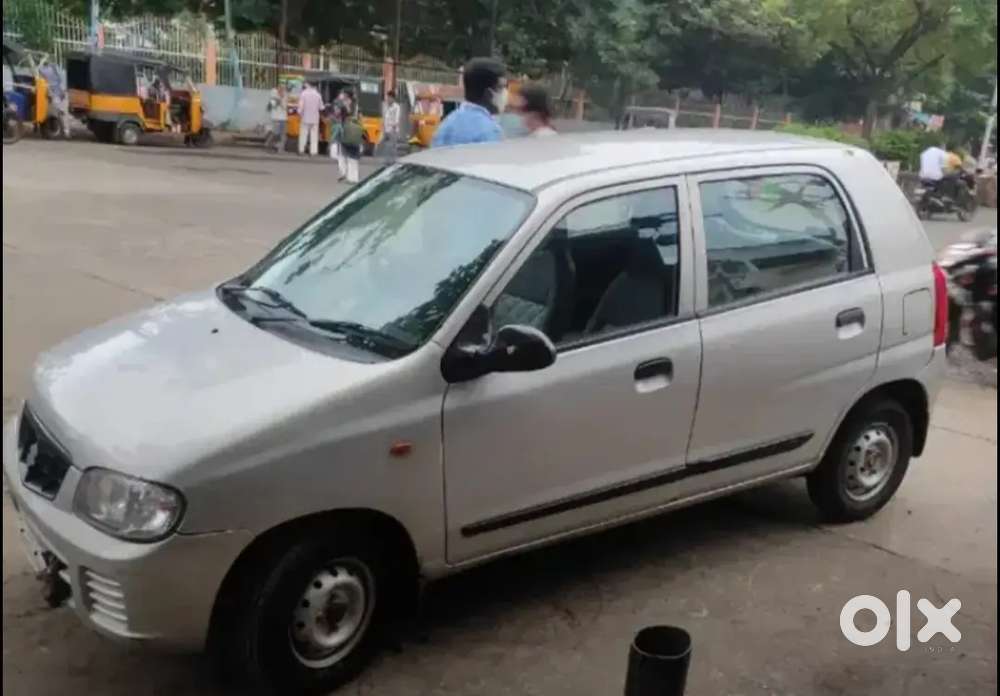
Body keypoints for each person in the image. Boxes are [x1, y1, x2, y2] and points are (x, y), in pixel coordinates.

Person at [431, 57, 505, 147]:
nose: (505, 93)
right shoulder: (490, 131)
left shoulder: (446, 124)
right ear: (488, 93)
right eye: (501, 87)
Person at [39, 61, 71, 139]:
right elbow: (61, 80)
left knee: (55, 112)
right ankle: (65, 132)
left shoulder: (42, 70)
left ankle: (63, 131)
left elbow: (45, 82)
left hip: (54, 94)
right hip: (57, 93)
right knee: (62, 113)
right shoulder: (55, 68)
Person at [297, 81, 324, 156]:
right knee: (314, 136)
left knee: (303, 135)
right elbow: (321, 107)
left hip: (305, 118)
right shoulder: (318, 95)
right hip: (315, 118)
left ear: (308, 85)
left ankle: (301, 150)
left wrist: (299, 113)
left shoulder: (303, 94)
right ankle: (313, 152)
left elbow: (300, 107)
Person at [266, 83, 288, 153]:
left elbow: (284, 106)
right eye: (281, 88)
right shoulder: (274, 95)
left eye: (283, 89)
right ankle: (269, 145)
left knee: (283, 134)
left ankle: (280, 149)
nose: (282, 90)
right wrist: (278, 99)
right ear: (278, 89)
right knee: (275, 133)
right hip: (276, 117)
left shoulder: (285, 95)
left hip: (283, 117)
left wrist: (281, 99)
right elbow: (271, 106)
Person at [381, 89, 401, 162]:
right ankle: (387, 162)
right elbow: (384, 118)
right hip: (386, 130)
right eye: (387, 97)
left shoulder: (396, 107)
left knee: (392, 147)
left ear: (393, 98)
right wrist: (383, 129)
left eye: (389, 97)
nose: (388, 99)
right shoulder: (385, 106)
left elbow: (397, 120)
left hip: (393, 130)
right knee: (386, 147)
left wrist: (392, 129)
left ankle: (394, 162)